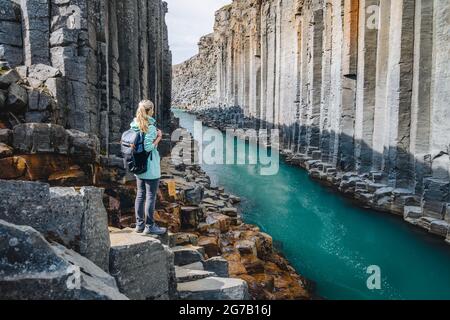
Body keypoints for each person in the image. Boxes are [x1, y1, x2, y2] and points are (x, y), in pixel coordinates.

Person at [130, 100, 167, 235]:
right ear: (150, 111)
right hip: (150, 167)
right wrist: (159, 137)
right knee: (150, 196)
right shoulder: (150, 127)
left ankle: (140, 225)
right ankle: (149, 226)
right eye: (152, 110)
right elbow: (148, 147)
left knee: (140, 195)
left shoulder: (135, 124)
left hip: (139, 166)